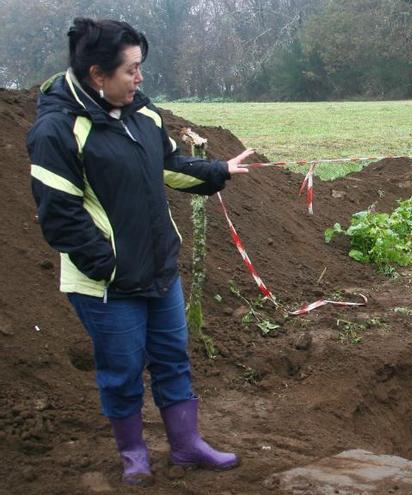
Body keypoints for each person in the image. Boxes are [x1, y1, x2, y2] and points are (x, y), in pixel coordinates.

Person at [27, 18, 254, 486]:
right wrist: (107, 265)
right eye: (131, 70)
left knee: (173, 357)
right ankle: (133, 454)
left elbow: (166, 165)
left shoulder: (142, 113)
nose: (140, 78)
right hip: (106, 285)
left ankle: (187, 446)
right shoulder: (57, 131)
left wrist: (215, 170)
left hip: (159, 269)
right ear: (97, 75)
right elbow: (59, 215)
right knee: (123, 371)